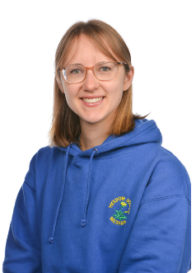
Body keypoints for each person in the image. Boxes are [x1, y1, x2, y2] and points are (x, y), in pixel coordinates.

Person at [2, 19, 191, 273]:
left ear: (127, 77)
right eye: (76, 71)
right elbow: (19, 264)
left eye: (104, 69)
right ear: (61, 81)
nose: (90, 85)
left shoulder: (161, 171)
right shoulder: (42, 167)